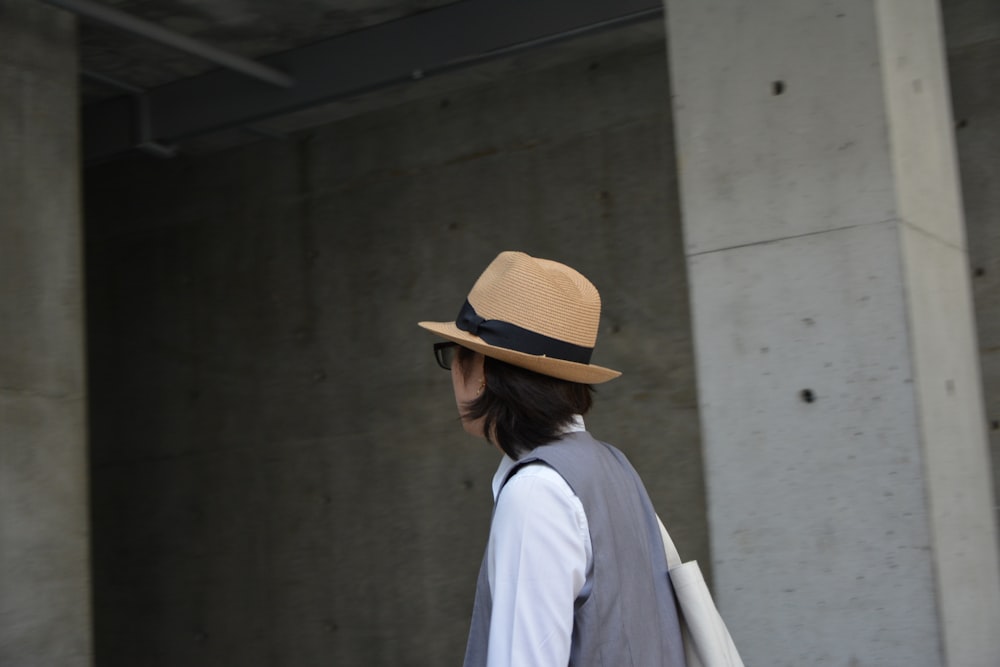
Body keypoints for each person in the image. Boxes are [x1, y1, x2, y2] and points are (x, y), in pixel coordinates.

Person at [419, 251, 686, 667]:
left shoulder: (536, 493)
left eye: (455, 353)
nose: (453, 370)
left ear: (482, 369)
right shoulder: (614, 468)